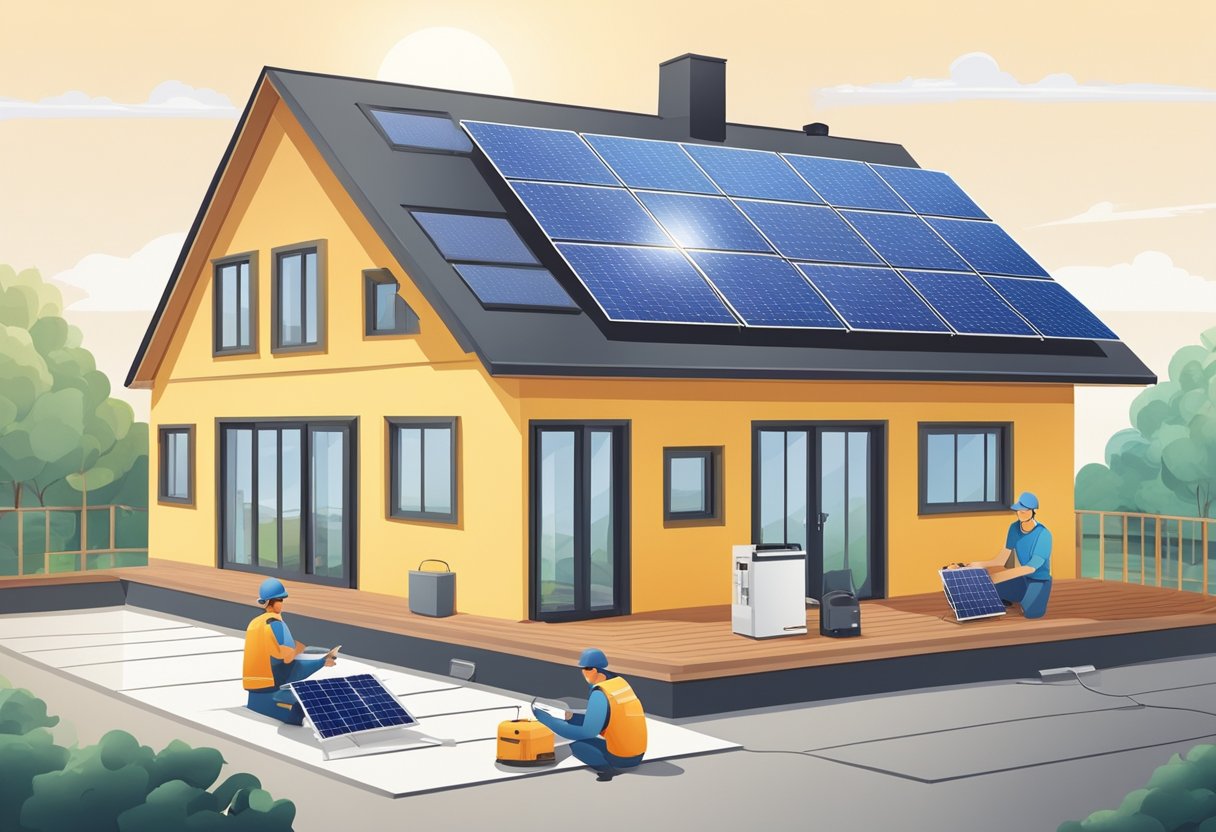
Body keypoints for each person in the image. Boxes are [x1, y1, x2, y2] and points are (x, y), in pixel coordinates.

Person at [531, 648, 647, 782]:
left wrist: (549, 721)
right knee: (592, 741)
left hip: (620, 759)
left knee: (577, 746)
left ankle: (607, 769)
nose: (583, 673)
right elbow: (609, 718)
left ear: (594, 670)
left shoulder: (600, 693)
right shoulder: (620, 684)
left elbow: (587, 732)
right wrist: (573, 717)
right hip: (638, 755)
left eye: (585, 669)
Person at [242, 577, 335, 725]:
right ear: (272, 602)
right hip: (271, 684)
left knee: (299, 657)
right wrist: (320, 661)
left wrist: (300, 647)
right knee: (299, 664)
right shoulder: (276, 624)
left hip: (253, 683)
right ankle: (325, 660)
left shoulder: (255, 623)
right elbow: (288, 657)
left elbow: (273, 649)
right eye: (281, 600)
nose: (282, 604)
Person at [965, 491, 1053, 619]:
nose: (1021, 513)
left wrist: (997, 577)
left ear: (1034, 511)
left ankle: (1029, 600)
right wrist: (978, 564)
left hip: (1039, 580)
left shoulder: (1044, 535)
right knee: (989, 592)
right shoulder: (1014, 528)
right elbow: (1001, 559)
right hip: (1022, 579)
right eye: (1019, 510)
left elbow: (1030, 568)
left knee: (1030, 613)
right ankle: (1015, 595)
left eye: (1025, 510)